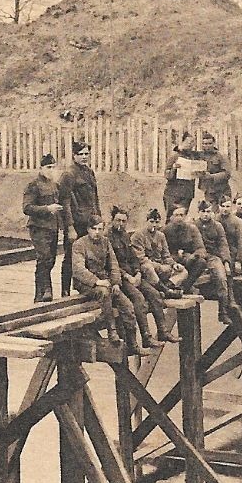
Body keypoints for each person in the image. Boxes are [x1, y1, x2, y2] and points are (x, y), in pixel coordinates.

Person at [69, 216, 147, 355]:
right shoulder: (79, 244)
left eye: (100, 229)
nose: (97, 232)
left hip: (106, 282)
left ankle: (133, 345)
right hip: (86, 284)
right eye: (94, 229)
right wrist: (96, 281)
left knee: (128, 306)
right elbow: (78, 269)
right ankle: (112, 331)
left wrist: (116, 282)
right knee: (104, 293)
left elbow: (114, 264)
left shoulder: (105, 242)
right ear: (88, 229)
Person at [108, 206, 174, 345]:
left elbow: (133, 258)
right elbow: (111, 265)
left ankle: (163, 331)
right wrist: (127, 276)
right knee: (139, 299)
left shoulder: (125, 236)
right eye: (118, 220)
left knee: (155, 294)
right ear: (112, 220)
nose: (120, 224)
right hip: (119, 278)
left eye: (124, 221)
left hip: (133, 275)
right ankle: (146, 337)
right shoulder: (107, 238)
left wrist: (137, 273)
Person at [21, 152, 66, 302]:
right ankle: (46, 291)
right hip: (39, 228)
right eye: (48, 167)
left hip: (52, 228)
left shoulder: (55, 185)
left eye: (53, 167)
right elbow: (27, 207)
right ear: (41, 168)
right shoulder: (33, 185)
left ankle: (39, 293)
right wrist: (47, 209)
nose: (51, 170)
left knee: (51, 259)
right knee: (44, 258)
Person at [60, 140, 101, 296]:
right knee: (71, 256)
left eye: (86, 154)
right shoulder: (69, 175)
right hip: (76, 224)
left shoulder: (89, 172)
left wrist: (99, 219)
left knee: (90, 255)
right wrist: (69, 227)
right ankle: (65, 291)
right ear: (74, 156)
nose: (84, 157)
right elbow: (65, 202)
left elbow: (95, 198)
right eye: (81, 154)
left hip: (90, 223)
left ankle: (84, 287)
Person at [133, 208, 190, 295]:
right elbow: (140, 258)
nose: (154, 225)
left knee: (183, 271)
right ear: (146, 221)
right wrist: (158, 266)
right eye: (151, 222)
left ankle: (166, 287)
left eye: (157, 222)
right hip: (146, 268)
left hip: (160, 268)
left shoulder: (161, 235)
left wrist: (174, 264)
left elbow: (166, 255)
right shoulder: (138, 235)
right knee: (147, 267)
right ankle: (167, 291)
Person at [163, 131, 202, 220]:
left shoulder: (194, 157)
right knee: (171, 218)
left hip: (187, 194)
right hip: (173, 193)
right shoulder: (174, 157)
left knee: (182, 219)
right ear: (182, 142)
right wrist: (174, 168)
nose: (191, 145)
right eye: (188, 142)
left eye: (193, 142)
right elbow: (167, 175)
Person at [196, 132, 232, 207]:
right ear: (202, 144)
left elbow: (227, 173)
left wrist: (212, 176)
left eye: (209, 143)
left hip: (222, 190)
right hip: (208, 191)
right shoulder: (200, 156)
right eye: (205, 144)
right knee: (210, 213)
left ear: (214, 143)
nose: (207, 146)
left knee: (224, 212)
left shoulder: (221, 156)